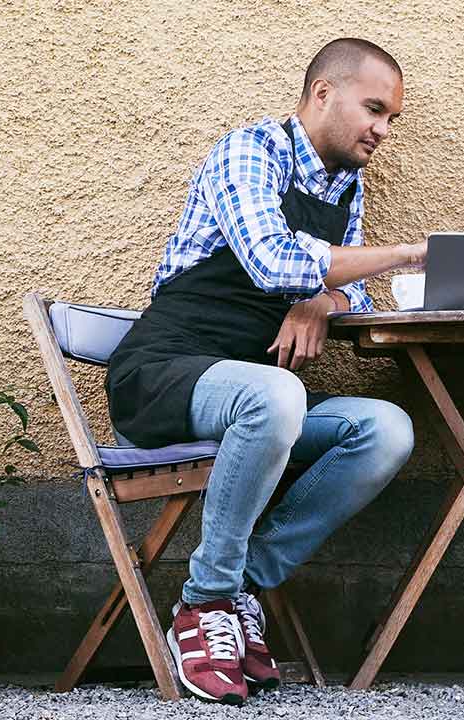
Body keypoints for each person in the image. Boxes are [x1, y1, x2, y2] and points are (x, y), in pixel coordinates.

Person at [104, 38, 423, 704]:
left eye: (391, 118)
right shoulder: (248, 153)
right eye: (374, 110)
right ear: (322, 94)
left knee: (386, 428)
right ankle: (204, 602)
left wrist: (320, 301)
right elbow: (272, 261)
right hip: (167, 373)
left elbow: (352, 297)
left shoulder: (346, 185)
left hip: (256, 398)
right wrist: (400, 255)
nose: (382, 131)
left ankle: (240, 588)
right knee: (278, 394)